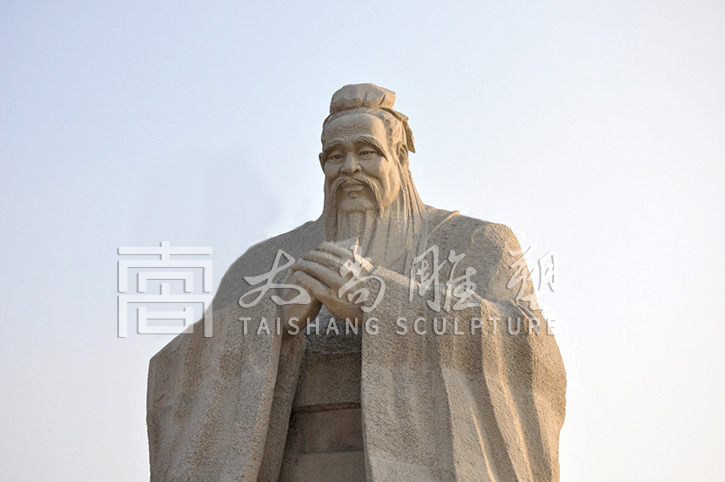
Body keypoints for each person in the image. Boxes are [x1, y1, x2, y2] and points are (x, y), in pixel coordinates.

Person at [147, 84, 566, 481]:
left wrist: (380, 298)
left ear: (400, 157)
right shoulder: (269, 262)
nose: (349, 167)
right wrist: (273, 319)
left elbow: (532, 353)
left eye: (367, 151)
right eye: (335, 155)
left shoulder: (473, 243)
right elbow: (174, 375)